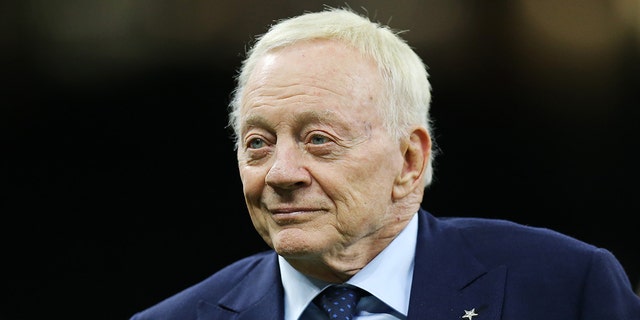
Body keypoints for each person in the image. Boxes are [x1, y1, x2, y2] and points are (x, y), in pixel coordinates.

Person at [130, 6, 640, 320]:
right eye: (258, 143)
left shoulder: (565, 286)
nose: (281, 174)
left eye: (319, 139)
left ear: (410, 160)